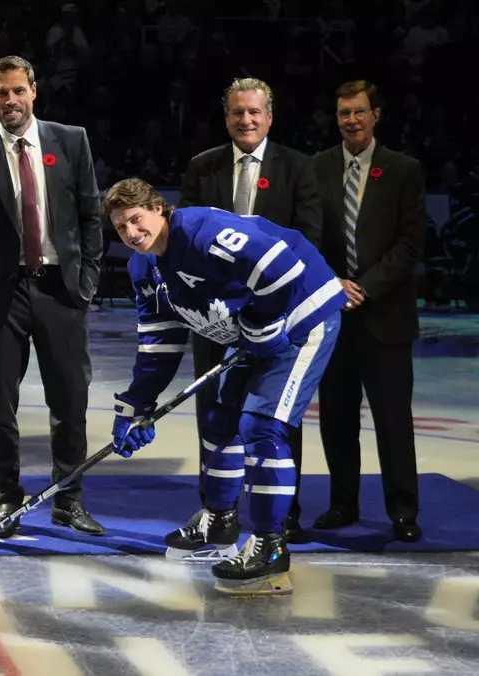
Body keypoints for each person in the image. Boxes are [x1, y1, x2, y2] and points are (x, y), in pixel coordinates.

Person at [104, 177, 346, 595]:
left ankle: (271, 547)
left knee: (262, 427)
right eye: (120, 227)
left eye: (136, 220)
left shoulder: (202, 232)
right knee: (219, 422)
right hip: (258, 331)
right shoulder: (142, 266)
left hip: (304, 317)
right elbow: (158, 344)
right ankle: (219, 523)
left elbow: (281, 266)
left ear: (159, 209)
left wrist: (262, 324)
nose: (130, 233)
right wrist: (136, 406)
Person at [0, 56, 104, 538]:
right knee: (0, 406)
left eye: (18, 90)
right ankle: (7, 502)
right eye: (1, 92)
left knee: (71, 400)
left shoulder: (70, 139)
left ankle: (69, 499)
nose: (10, 100)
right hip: (2, 297)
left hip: (61, 289)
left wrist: (88, 282)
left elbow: (90, 216)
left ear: (34, 91)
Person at [178, 77, 322, 543]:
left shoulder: (298, 168)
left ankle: (283, 514)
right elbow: (186, 240)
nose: (246, 120)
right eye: (238, 112)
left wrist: (260, 299)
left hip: (277, 312)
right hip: (217, 317)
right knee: (216, 414)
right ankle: (215, 511)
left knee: (273, 415)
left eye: (254, 112)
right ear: (226, 117)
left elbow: (307, 242)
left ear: (270, 116)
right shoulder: (203, 167)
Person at [311, 81, 425, 542]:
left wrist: (364, 287)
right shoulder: (315, 168)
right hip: (333, 314)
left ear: (376, 115)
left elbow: (409, 244)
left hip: (385, 316)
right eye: (343, 113)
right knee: (337, 418)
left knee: (393, 420)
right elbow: (307, 237)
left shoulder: (404, 170)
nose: (351, 120)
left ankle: (403, 511)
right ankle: (343, 504)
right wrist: (332, 285)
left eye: (359, 112)